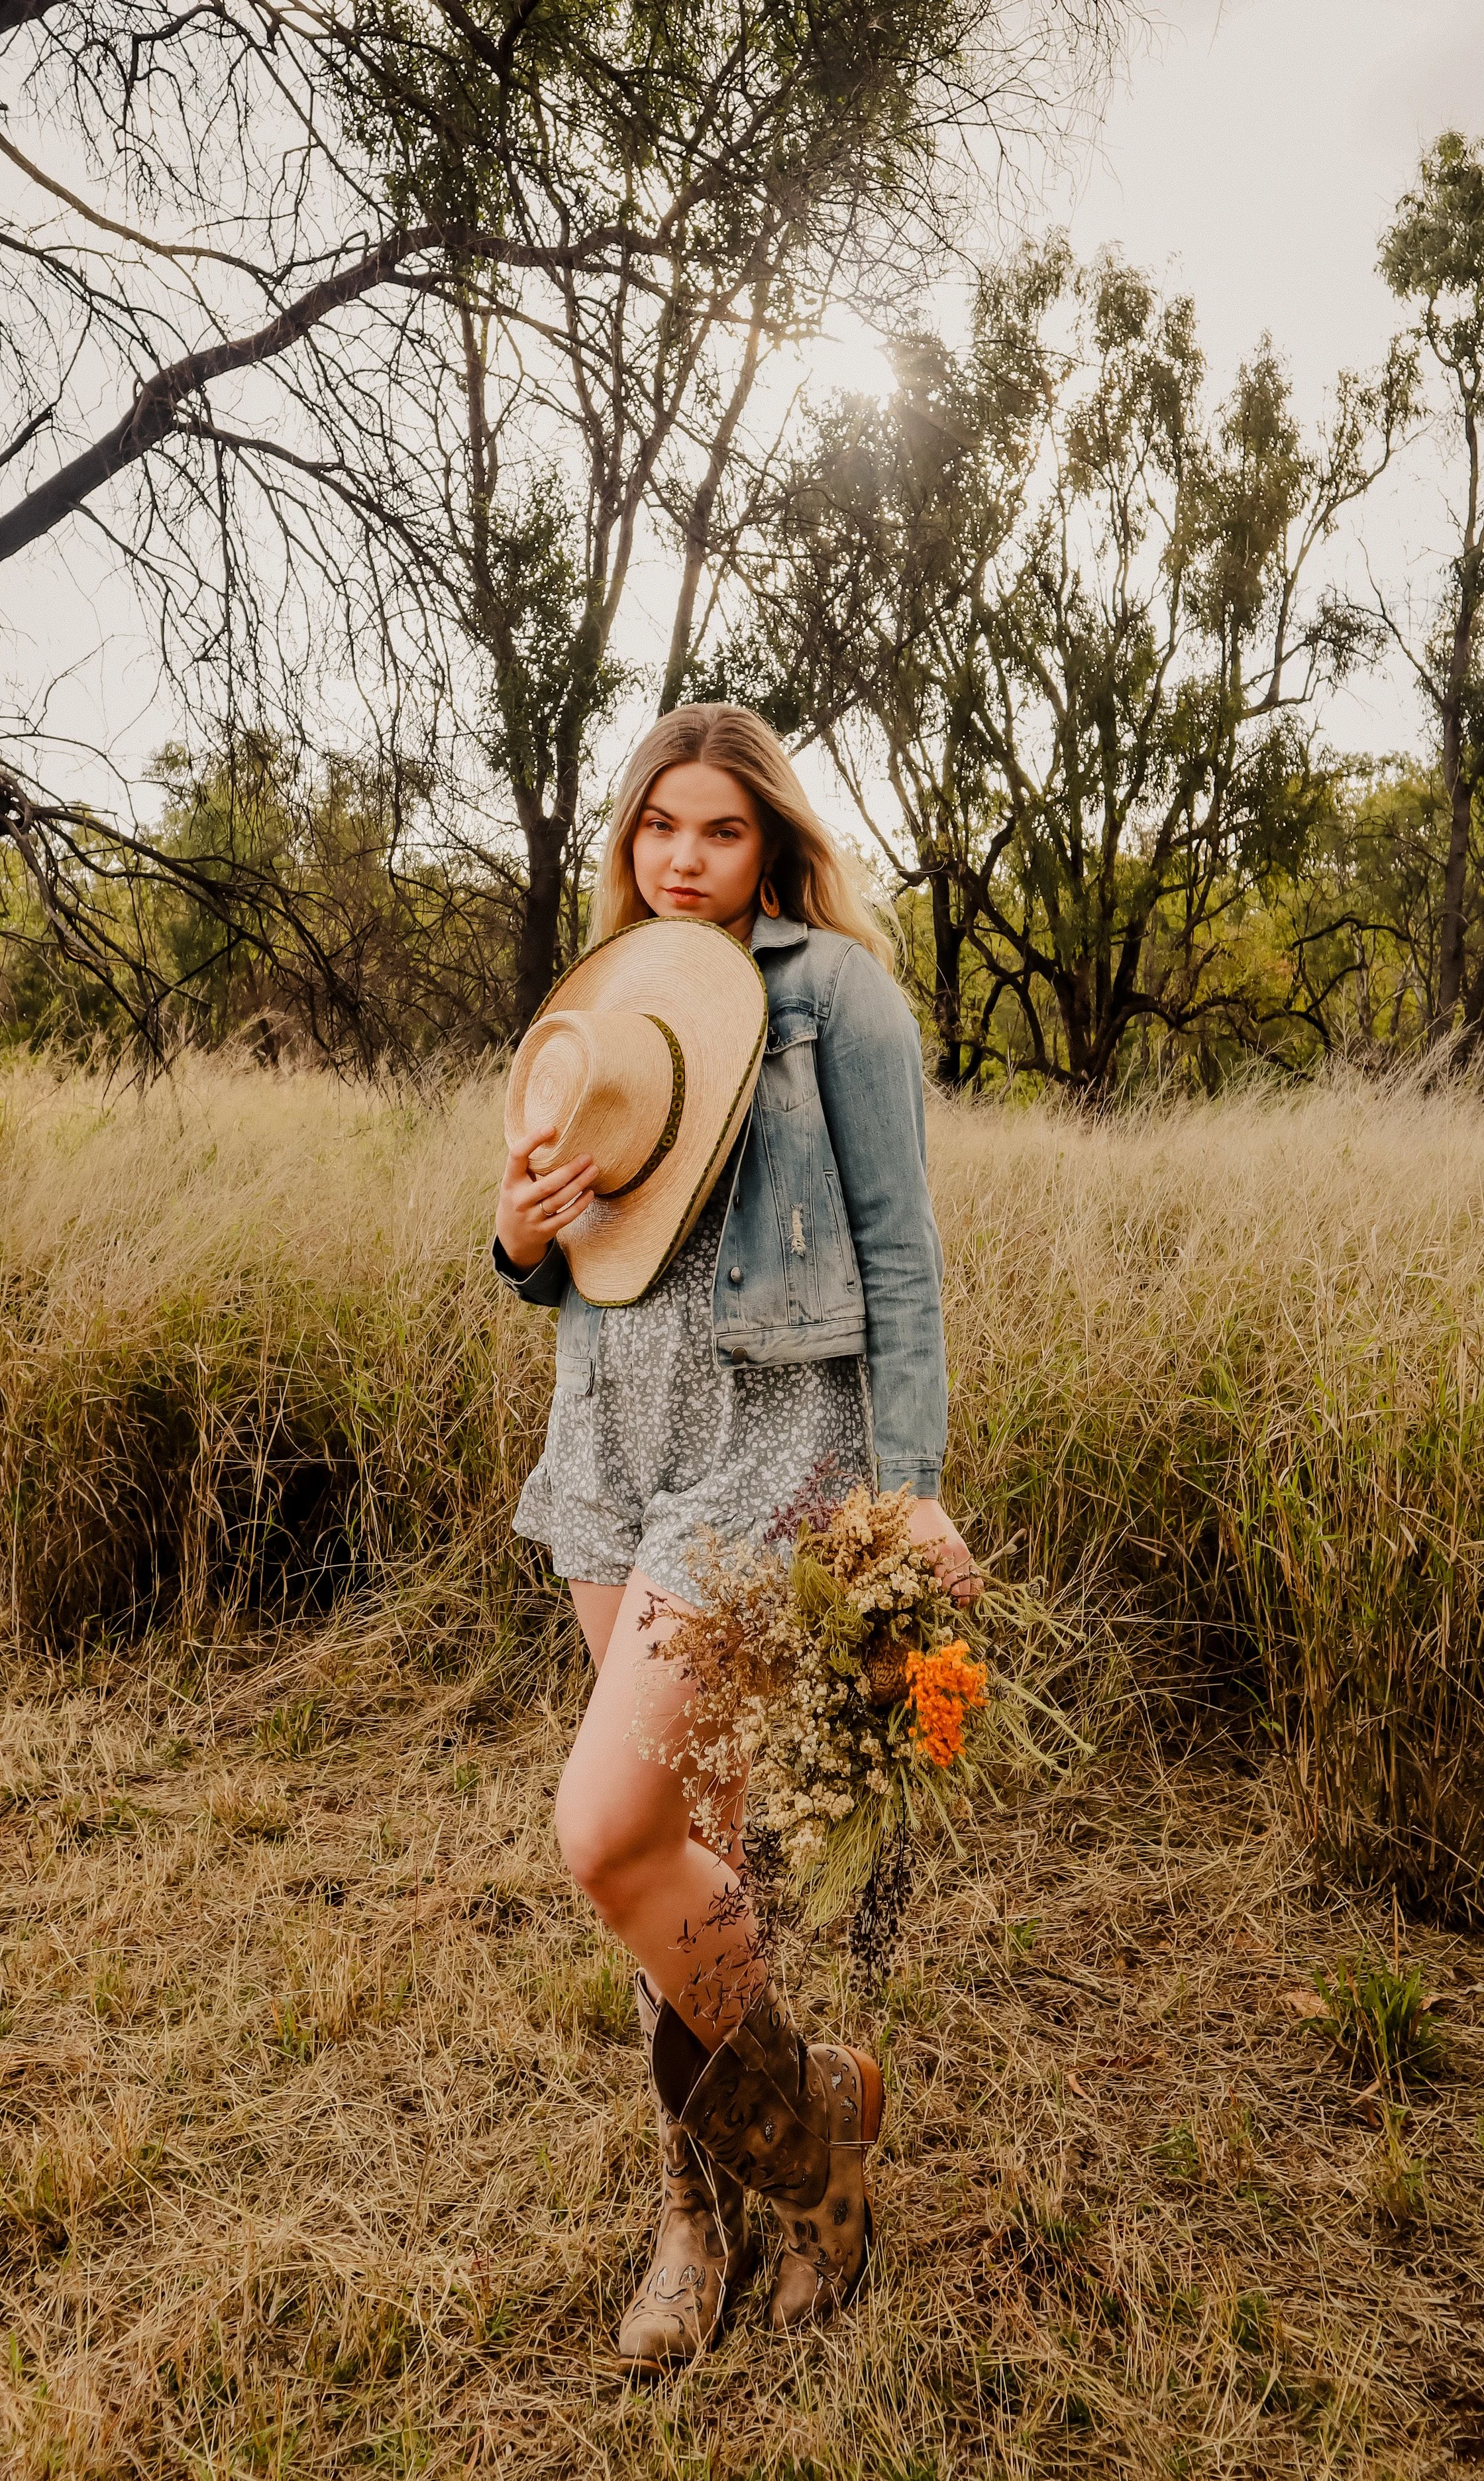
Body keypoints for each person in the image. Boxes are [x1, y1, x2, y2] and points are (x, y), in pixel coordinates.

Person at [493, 703, 975, 2369]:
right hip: (608, 1446)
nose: (680, 860)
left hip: (766, 1442)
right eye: (655, 830)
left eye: (715, 830)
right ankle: (704, 2210)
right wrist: (516, 1235)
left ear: (767, 839)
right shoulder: (605, 1003)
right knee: (676, 1857)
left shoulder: (825, 994)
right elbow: (564, 1252)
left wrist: (908, 1478)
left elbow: (901, 1251)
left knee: (605, 1834)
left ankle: (819, 2145)